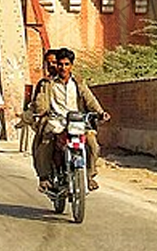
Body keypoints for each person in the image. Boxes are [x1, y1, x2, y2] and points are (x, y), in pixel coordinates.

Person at [31, 48, 111, 192]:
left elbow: (89, 99)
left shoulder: (78, 82)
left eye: (66, 64)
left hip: (77, 122)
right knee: (45, 142)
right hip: (57, 121)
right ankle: (44, 178)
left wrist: (100, 112)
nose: (63, 68)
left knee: (93, 144)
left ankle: (89, 175)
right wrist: (40, 110)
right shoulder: (48, 84)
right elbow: (40, 102)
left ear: (71, 65)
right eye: (60, 64)